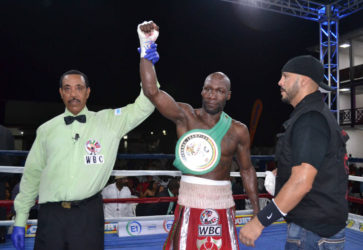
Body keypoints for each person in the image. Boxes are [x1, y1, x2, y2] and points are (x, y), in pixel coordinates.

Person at [138, 21, 260, 250]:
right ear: (202, 90)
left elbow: (246, 170)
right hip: (189, 202)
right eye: (209, 89)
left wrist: (256, 211)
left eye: (220, 91)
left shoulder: (237, 130)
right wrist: (146, 46)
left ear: (228, 95)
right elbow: (151, 91)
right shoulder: (185, 116)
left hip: (223, 204)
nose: (213, 95)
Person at [11, 69, 156, 250]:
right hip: (51, 216)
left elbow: (145, 105)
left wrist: (147, 66)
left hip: (87, 215)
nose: (73, 94)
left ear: (87, 92)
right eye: (67, 88)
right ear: (61, 93)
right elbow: (31, 176)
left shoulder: (108, 122)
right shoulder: (46, 130)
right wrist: (20, 219)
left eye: (79, 88)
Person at [239, 55, 349, 249]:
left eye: (285, 76)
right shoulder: (316, 114)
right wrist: (284, 174)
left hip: (312, 231)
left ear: (304, 80)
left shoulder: (310, 119)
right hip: (317, 227)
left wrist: (259, 221)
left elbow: (301, 182)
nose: (279, 82)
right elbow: (320, 166)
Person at [0, 125, 15, 243]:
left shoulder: (6, 132)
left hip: (3, 173)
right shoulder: (6, 132)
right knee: (1, 205)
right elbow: (12, 155)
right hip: (3, 175)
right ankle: (1, 235)